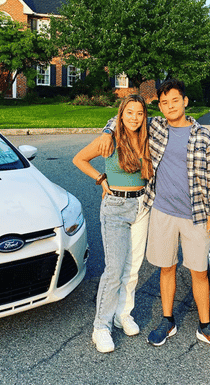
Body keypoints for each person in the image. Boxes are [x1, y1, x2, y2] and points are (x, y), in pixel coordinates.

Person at [100, 79, 210, 352]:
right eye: (164, 102)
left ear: (185, 101)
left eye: (174, 100)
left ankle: (205, 327)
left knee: (199, 271)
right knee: (166, 267)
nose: (169, 106)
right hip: (161, 211)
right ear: (160, 106)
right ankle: (167, 320)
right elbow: (126, 116)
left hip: (196, 214)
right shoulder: (156, 127)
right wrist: (106, 130)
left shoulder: (203, 135)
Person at [73, 94, 153, 353]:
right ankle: (101, 327)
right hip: (115, 207)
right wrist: (100, 178)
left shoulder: (147, 136)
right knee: (115, 269)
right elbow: (79, 159)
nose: (134, 117)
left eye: (139, 113)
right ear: (121, 113)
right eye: (129, 112)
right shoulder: (110, 138)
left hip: (142, 206)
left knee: (133, 267)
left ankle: (122, 314)